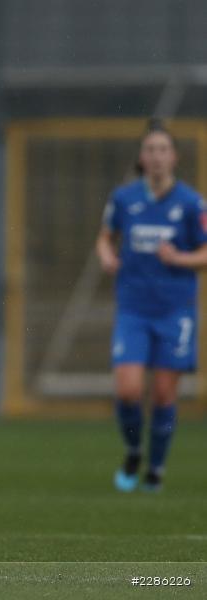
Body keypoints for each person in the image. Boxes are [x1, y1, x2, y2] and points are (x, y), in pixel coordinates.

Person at [96, 119, 207, 492]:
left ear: (174, 156)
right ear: (142, 158)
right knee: (128, 389)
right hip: (133, 309)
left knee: (162, 393)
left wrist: (180, 259)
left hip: (176, 311)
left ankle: (155, 469)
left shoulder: (192, 204)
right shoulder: (124, 199)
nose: (157, 156)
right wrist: (107, 256)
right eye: (150, 150)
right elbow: (105, 237)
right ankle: (133, 449)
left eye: (163, 150)